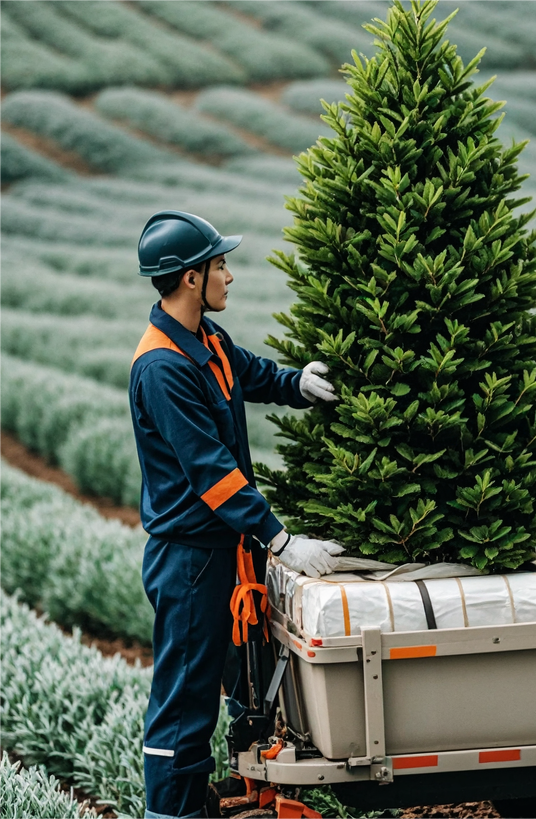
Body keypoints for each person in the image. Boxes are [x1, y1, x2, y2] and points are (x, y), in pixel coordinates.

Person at [130, 210, 342, 819]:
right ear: (191, 278)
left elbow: (249, 373)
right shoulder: (162, 367)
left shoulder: (206, 341)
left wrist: (296, 383)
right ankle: (170, 814)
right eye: (220, 264)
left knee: (245, 684)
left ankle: (230, 796)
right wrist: (280, 540)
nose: (229, 275)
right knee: (184, 700)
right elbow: (212, 474)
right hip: (191, 560)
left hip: (223, 552)